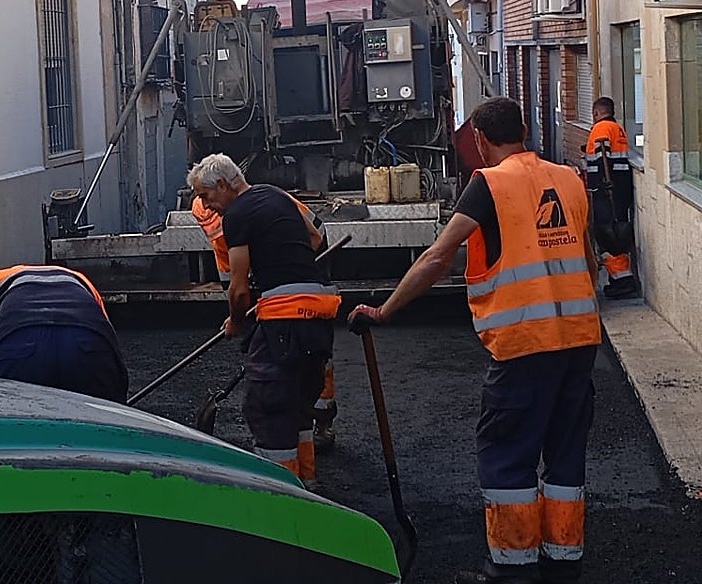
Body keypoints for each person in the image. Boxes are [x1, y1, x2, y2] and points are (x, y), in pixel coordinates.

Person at [349, 97, 600, 584]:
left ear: (480, 140)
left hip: (525, 344)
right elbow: (587, 260)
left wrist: (384, 310)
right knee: (566, 453)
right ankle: (563, 560)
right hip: (579, 341)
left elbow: (437, 257)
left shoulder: (489, 184)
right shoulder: (569, 179)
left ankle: (512, 568)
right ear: (523, 131)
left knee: (507, 455)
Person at [188, 153, 339, 490]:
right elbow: (315, 239)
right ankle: (307, 482)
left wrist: (235, 321)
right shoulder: (275, 195)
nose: (206, 206)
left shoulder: (236, 215)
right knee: (300, 405)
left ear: (223, 185)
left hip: (284, 319)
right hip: (319, 312)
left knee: (269, 408)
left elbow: (239, 290)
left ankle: (281, 493)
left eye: (206, 196)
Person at [0, 265, 128, 402]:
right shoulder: (82, 280)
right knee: (103, 420)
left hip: (19, 340)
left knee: (18, 427)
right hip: (85, 337)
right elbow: (106, 339)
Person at [584, 97, 638, 298]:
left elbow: (603, 159)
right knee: (617, 233)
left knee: (608, 235)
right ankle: (621, 278)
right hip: (620, 190)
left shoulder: (600, 129)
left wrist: (602, 186)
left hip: (606, 192)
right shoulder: (618, 129)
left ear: (596, 113)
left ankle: (622, 280)